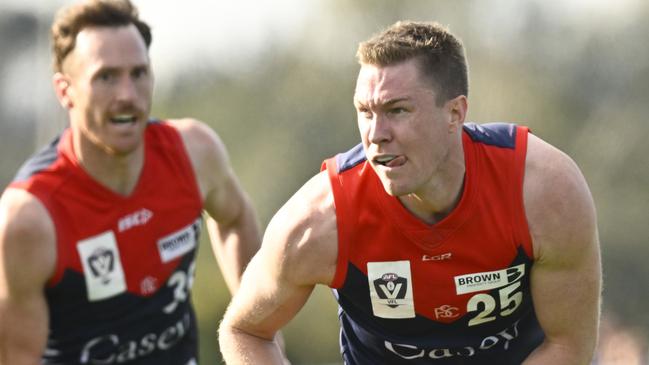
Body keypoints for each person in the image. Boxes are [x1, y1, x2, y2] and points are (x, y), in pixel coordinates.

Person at [218, 20, 602, 364]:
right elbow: (245, 331)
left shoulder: (542, 190)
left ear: (455, 113)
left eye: (397, 110)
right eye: (365, 112)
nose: (376, 134)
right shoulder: (320, 221)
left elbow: (568, 344)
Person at [0, 1, 261, 364]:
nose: (127, 95)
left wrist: (256, 332)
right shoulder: (29, 218)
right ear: (65, 91)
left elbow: (235, 219)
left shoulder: (194, 153)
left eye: (138, 73)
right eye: (106, 77)